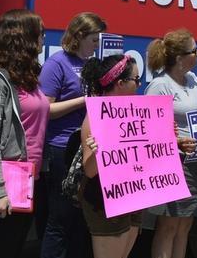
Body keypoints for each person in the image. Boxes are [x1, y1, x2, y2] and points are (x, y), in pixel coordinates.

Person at [0, 9, 50, 257]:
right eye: (40, 33)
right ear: (23, 38)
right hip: (3, 185)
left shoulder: (27, 78)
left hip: (28, 179)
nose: (44, 39)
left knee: (14, 249)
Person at [39, 12, 104, 258]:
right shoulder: (57, 63)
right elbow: (46, 109)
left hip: (86, 148)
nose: (97, 46)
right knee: (60, 217)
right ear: (78, 36)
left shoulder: (90, 65)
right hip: (62, 148)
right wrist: (82, 101)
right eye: (94, 40)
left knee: (81, 219)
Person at [144, 29, 197, 258]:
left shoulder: (194, 80)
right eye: (194, 50)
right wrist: (177, 142)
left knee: (185, 225)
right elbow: (149, 129)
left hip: (196, 162)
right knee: (168, 225)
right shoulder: (161, 85)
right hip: (173, 163)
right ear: (180, 58)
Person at [78, 55, 146, 257]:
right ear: (121, 83)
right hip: (105, 200)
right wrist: (105, 146)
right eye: (136, 79)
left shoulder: (137, 111)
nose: (140, 84)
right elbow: (90, 171)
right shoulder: (95, 116)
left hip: (133, 194)